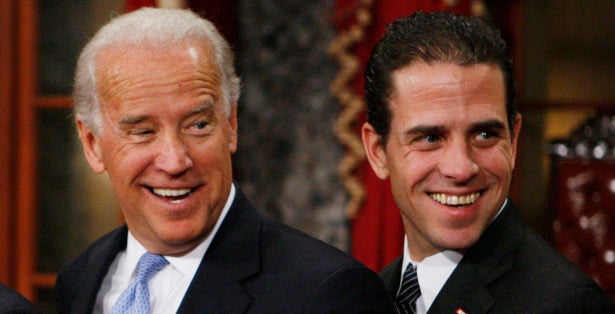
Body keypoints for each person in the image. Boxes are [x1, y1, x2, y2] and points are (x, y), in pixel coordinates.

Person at [55, 7, 395, 313]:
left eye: (198, 125)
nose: (175, 161)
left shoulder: (326, 294)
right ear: (92, 143)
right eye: (143, 131)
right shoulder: (80, 281)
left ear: (231, 125)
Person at [361, 11, 615, 314]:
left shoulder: (568, 306)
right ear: (378, 152)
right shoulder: (369, 296)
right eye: (430, 138)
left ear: (513, 140)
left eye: (485, 134)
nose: (461, 168)